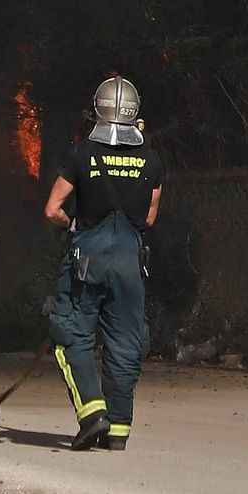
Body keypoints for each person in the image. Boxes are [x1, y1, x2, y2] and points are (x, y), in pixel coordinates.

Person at [43, 74, 162, 450]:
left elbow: (52, 209)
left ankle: (93, 413)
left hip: (87, 259)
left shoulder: (80, 154)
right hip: (130, 262)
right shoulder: (151, 159)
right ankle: (118, 430)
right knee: (125, 341)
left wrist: (73, 224)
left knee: (70, 334)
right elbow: (149, 218)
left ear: (97, 110)